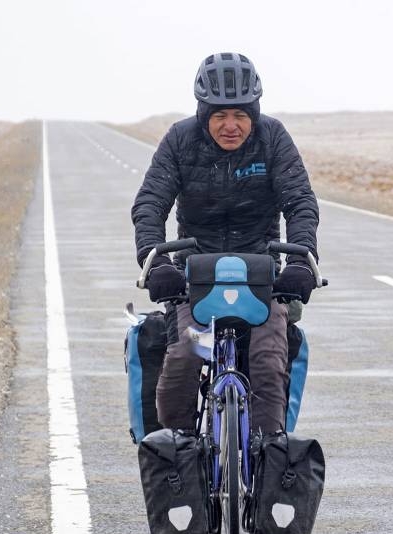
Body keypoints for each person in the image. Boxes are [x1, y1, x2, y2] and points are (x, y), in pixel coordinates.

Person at [132, 52, 320, 436]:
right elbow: (150, 204)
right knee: (185, 355)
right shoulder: (181, 140)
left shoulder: (273, 139)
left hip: (260, 275)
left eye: (240, 115)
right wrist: (157, 264)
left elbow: (300, 202)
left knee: (268, 363)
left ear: (254, 113)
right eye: (220, 115)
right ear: (204, 114)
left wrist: (302, 261)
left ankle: (270, 455)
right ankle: (177, 457)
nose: (230, 125)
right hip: (195, 278)